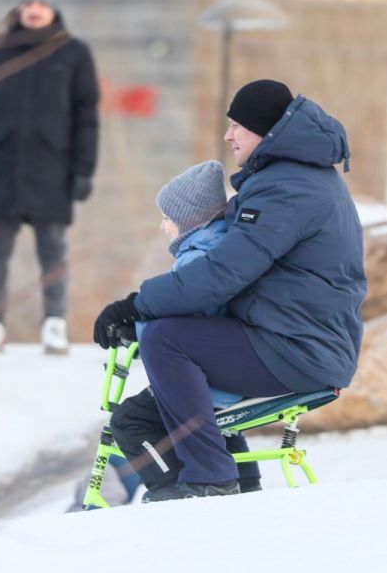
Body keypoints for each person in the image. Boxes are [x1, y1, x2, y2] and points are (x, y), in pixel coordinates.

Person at [93, 79, 366, 503]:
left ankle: (209, 480)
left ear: (267, 131)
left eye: (237, 125)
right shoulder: (296, 179)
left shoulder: (287, 189)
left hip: (299, 346)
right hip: (298, 338)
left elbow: (222, 273)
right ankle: (240, 490)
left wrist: (135, 306)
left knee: (167, 340)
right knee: (168, 361)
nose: (228, 135)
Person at [68, 160, 261, 510]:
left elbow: (188, 319)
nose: (163, 225)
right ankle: (245, 488)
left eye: (168, 216)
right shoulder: (216, 249)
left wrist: (136, 329)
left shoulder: (197, 259)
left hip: (204, 374)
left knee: (130, 421)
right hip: (222, 370)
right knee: (216, 426)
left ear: (189, 219)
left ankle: (175, 491)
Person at [0, 0, 100, 355]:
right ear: (19, 7)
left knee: (52, 248)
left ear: (52, 7)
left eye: (41, 3)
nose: (34, 10)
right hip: (0, 167)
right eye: (28, 3)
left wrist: (84, 170)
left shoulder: (74, 53)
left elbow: (86, 117)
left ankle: (54, 323)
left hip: (52, 169)